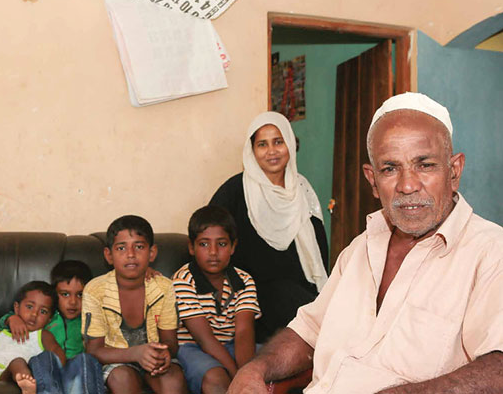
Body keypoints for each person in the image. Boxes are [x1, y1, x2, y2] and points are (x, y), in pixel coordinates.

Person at [228, 92, 503, 394]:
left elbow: (498, 368)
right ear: (373, 181)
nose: (407, 185)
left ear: (454, 171)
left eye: (424, 165)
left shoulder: (490, 252)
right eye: (390, 169)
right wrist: (255, 368)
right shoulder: (360, 249)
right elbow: (309, 331)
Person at [210, 111, 329, 342]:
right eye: (262, 144)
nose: (272, 151)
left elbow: (319, 246)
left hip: (301, 292)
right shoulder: (235, 191)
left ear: (290, 145)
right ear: (252, 151)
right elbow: (208, 237)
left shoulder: (302, 189)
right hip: (252, 297)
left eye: (278, 141)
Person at [82, 215, 187, 394]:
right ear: (109, 255)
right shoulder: (95, 290)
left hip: (153, 358)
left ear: (152, 253)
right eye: (121, 248)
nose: (130, 255)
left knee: (172, 380)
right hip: (116, 362)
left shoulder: (163, 287)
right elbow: (94, 350)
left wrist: (163, 353)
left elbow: (170, 340)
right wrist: (136, 354)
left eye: (139, 247)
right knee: (123, 378)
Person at [173, 205, 261, 394]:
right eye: (204, 244)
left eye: (221, 244)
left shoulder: (244, 280)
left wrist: (248, 373)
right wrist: (238, 376)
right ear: (191, 247)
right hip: (192, 348)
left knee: (278, 361)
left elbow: (244, 332)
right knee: (217, 378)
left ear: (233, 247)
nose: (213, 252)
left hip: (231, 345)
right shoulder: (183, 280)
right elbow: (205, 340)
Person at [0, 260, 104, 394]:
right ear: (54, 294)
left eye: (80, 295)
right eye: (65, 294)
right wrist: (10, 319)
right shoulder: (44, 315)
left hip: (75, 373)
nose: (73, 302)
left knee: (87, 360)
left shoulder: (89, 319)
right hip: (46, 372)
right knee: (45, 357)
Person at [0, 281, 65, 394]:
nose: (34, 314)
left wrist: (62, 374)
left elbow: (57, 354)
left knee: (18, 363)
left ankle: (26, 387)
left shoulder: (43, 335)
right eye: (29, 306)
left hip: (11, 376)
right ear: (16, 308)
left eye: (43, 311)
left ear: (49, 320)